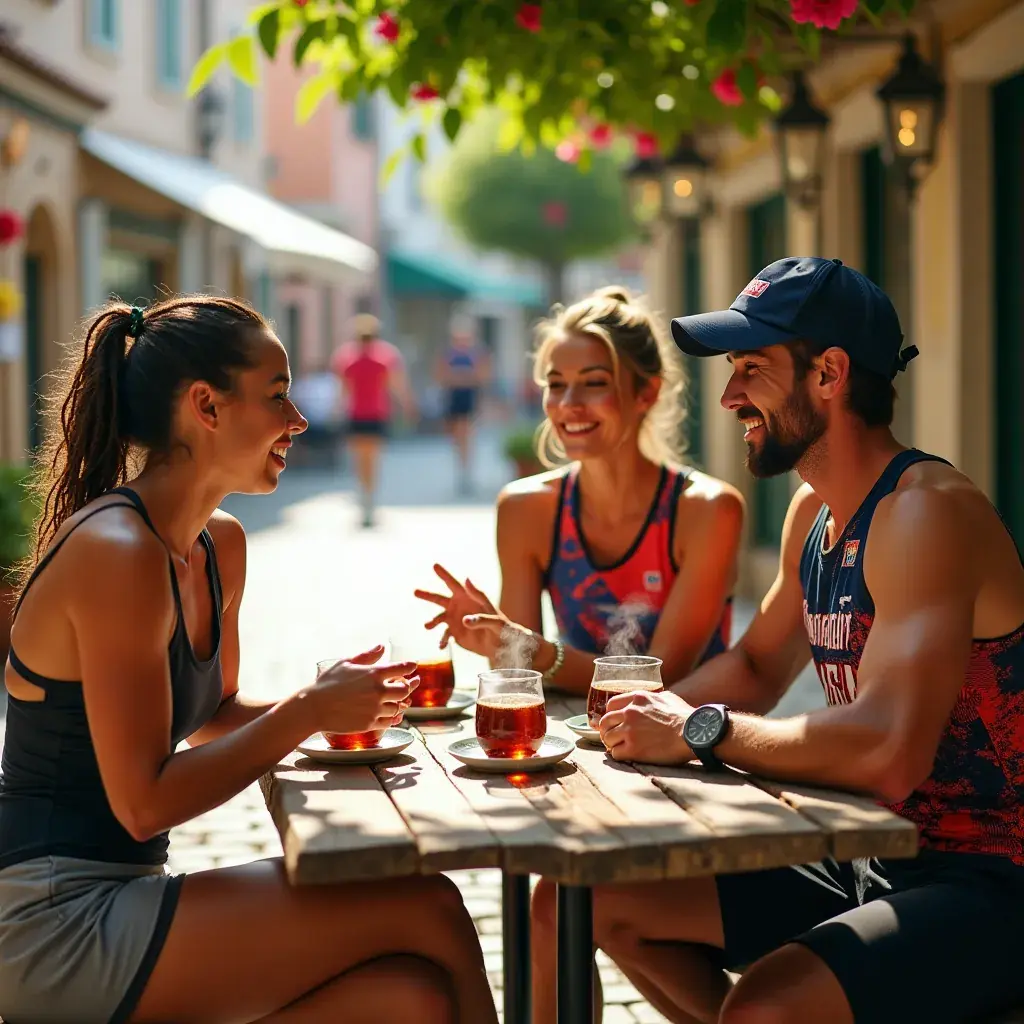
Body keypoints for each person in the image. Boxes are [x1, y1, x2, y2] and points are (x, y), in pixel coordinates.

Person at [533, 257, 1024, 1024]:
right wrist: (627, 722)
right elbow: (759, 663)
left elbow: (891, 749)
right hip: (873, 846)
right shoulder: (813, 513)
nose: (730, 397)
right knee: (573, 903)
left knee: (766, 1009)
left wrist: (699, 730)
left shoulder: (925, 513)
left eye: (752, 371)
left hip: (990, 874)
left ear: (829, 373)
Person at [0, 296, 497, 1024]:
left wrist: (368, 714)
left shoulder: (217, 544)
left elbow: (216, 718)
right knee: (431, 906)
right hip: (55, 923)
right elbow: (144, 804)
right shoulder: (119, 555)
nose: (298, 419)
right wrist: (308, 711)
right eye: (277, 395)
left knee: (410, 1000)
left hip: (124, 898)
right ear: (206, 405)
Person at [415, 284, 744, 699]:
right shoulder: (525, 508)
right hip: (576, 748)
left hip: (686, 751)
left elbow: (660, 681)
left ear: (647, 392)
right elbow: (518, 678)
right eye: (555, 385)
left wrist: (533, 652)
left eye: (593, 383)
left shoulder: (709, 510)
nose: (568, 404)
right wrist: (495, 638)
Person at [331, 313, 416, 528]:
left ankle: (364, 498)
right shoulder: (386, 355)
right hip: (377, 413)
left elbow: (342, 390)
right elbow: (397, 385)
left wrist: (336, 410)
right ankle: (369, 500)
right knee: (373, 458)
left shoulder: (346, 356)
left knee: (360, 459)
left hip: (356, 414)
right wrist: (408, 406)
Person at [434, 317, 490, 495]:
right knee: (455, 435)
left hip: (469, 398)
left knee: (467, 433)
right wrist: (462, 378)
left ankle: (466, 473)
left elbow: (482, 376)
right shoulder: (448, 354)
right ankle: (461, 469)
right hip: (453, 398)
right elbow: (441, 376)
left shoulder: (476, 354)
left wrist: (460, 378)